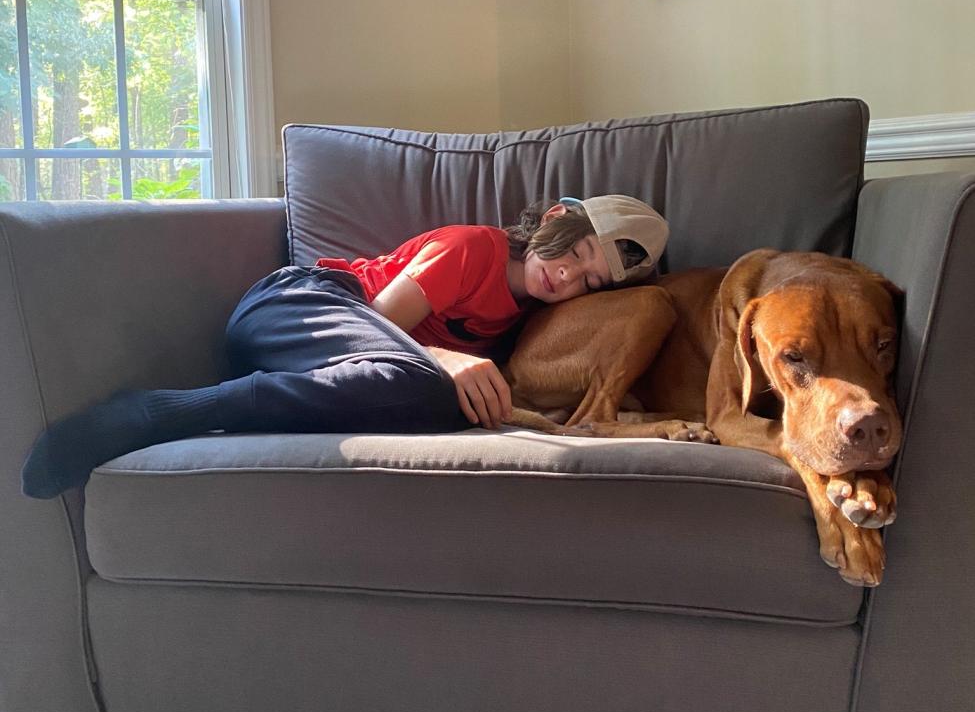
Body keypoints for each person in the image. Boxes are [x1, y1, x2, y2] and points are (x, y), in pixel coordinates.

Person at [21, 195, 668, 500]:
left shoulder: (530, 316)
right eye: (576, 253)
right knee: (427, 384)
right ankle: (157, 413)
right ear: (555, 220)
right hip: (295, 306)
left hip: (333, 370)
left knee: (446, 407)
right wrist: (449, 358)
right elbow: (383, 317)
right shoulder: (474, 248)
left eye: (590, 281)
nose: (569, 277)